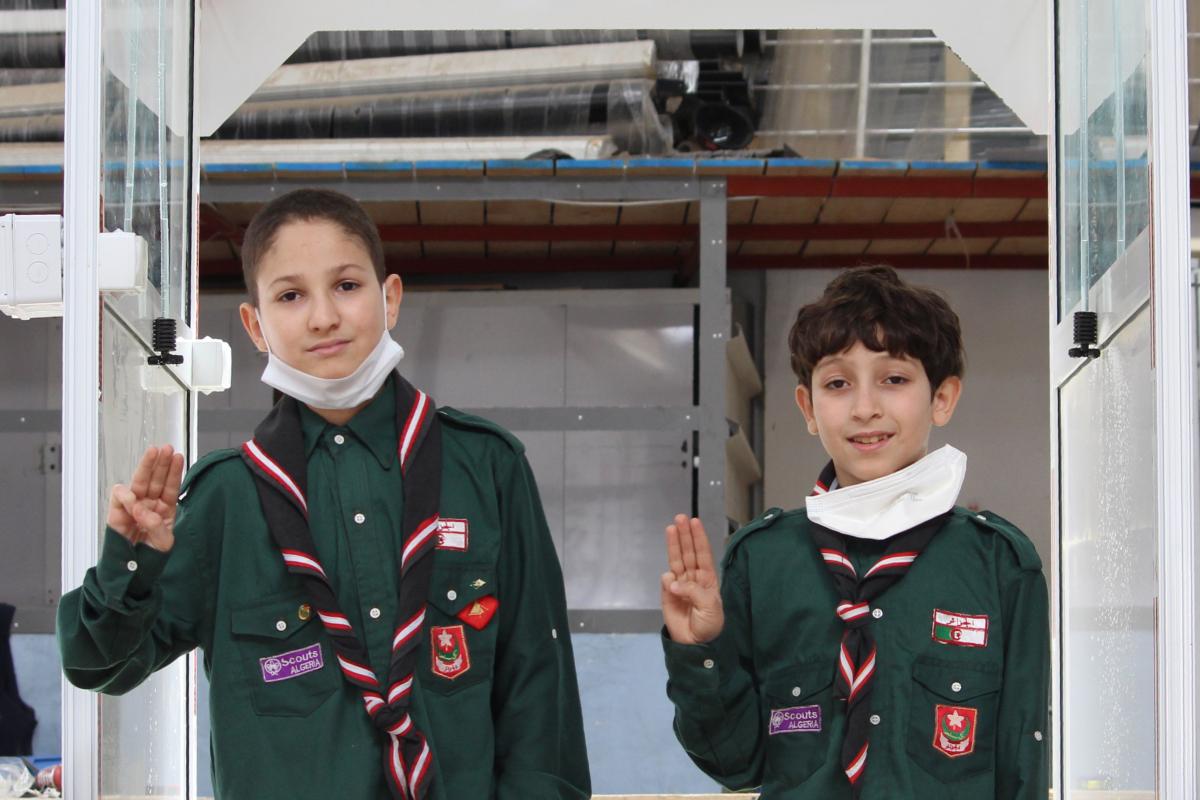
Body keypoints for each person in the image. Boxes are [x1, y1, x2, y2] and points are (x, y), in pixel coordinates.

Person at [57, 188, 591, 800]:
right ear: (255, 325)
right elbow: (97, 665)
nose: (323, 318)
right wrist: (132, 561)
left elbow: (539, 691)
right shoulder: (226, 499)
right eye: (290, 295)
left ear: (390, 297)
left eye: (346, 286)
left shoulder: (487, 468)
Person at [659, 266, 1048, 799]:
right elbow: (735, 763)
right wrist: (700, 649)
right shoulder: (763, 561)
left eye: (894, 379)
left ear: (942, 398)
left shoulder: (998, 563)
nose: (865, 408)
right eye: (838, 384)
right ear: (808, 408)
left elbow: (1021, 769)